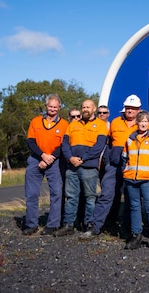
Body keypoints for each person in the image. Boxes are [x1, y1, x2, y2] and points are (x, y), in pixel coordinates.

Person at [92, 94, 142, 237]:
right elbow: (108, 142)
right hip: (114, 164)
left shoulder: (144, 124)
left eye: (133, 108)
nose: (130, 111)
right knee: (107, 194)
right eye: (128, 108)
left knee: (130, 197)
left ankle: (127, 228)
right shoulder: (115, 122)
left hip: (133, 164)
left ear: (138, 110)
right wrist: (109, 159)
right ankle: (96, 225)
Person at [57, 99, 107, 236]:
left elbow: (99, 146)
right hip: (72, 166)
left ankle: (89, 224)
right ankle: (68, 225)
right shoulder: (73, 125)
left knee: (90, 197)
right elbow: (65, 144)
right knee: (71, 197)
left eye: (88, 107)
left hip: (89, 167)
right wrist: (70, 158)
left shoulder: (101, 125)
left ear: (94, 108)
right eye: (83, 107)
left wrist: (83, 158)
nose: (85, 109)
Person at [23, 94, 69, 235]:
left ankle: (53, 224)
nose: (52, 109)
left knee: (56, 193)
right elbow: (30, 141)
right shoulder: (36, 121)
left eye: (55, 107)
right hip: (36, 158)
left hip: (54, 161)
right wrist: (42, 156)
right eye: (50, 106)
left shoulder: (64, 124)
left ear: (59, 108)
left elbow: (64, 145)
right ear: (46, 106)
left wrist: (51, 158)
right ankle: (31, 224)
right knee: (31, 194)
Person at [122, 110, 149, 250]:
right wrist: (125, 169)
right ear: (137, 123)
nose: (143, 124)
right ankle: (136, 236)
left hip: (147, 178)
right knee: (134, 207)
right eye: (141, 121)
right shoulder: (130, 138)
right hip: (131, 179)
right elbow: (124, 157)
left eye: (146, 121)